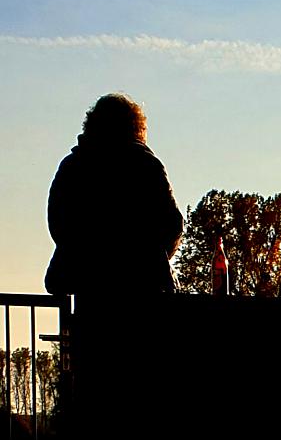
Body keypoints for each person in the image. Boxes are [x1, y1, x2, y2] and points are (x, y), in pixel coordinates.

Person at [45, 93, 183, 295]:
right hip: (143, 282)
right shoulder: (145, 164)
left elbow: (58, 221)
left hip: (85, 282)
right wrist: (151, 256)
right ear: (136, 126)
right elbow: (172, 224)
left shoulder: (73, 166)